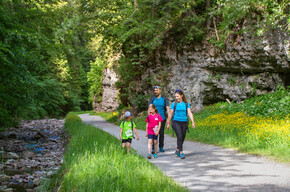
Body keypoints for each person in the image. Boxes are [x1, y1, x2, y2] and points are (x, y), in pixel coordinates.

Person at [166, 89, 195, 159]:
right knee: (179, 135)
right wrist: (168, 123)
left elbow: (189, 113)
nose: (176, 98)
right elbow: (170, 113)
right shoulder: (174, 104)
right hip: (176, 122)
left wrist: (193, 122)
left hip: (184, 122)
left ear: (181, 95)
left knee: (183, 137)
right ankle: (181, 152)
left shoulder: (186, 104)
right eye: (175, 96)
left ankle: (178, 149)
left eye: (178, 96)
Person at [148, 85, 169, 153]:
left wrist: (168, 119)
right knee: (154, 133)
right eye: (154, 90)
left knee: (161, 133)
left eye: (157, 90)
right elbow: (149, 109)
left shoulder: (164, 99)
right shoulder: (152, 99)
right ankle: (154, 148)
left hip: (162, 118)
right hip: (153, 119)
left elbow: (168, 109)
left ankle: (161, 146)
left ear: (160, 90)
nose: (155, 92)